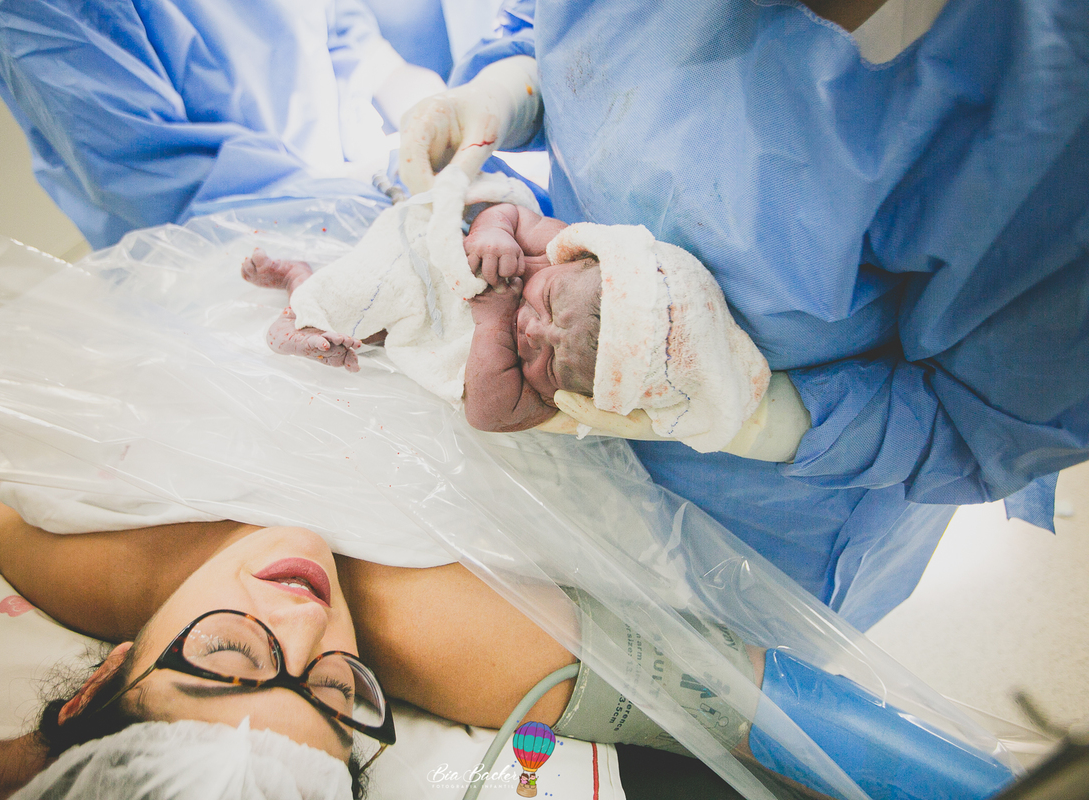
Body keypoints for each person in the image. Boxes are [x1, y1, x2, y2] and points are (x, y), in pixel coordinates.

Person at [397, 0, 1089, 631]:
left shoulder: (1044, 110)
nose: (531, 327)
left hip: (759, 519)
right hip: (559, 480)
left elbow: (982, 422)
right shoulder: (558, 253)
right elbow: (569, 34)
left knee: (691, 667)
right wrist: (506, 91)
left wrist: (757, 419)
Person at [0, 476, 1017, 800]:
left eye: (229, 656)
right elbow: (775, 709)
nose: (303, 617)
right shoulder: (414, 624)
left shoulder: (108, 562)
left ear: (100, 680)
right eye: (340, 691)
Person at [247, 192, 770, 451]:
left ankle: (301, 286)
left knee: (370, 325)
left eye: (550, 361)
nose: (533, 331)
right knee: (379, 277)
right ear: (581, 259)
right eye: (550, 301)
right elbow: (507, 211)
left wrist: (494, 324)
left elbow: (487, 414)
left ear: (580, 393)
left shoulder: (551, 398)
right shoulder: (554, 245)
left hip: (431, 330)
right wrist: (493, 232)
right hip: (430, 264)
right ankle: (301, 304)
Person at [0, 0, 448, 250]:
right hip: (213, 262)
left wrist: (411, 93)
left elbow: (335, 33)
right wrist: (382, 189)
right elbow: (156, 182)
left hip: (355, 207)